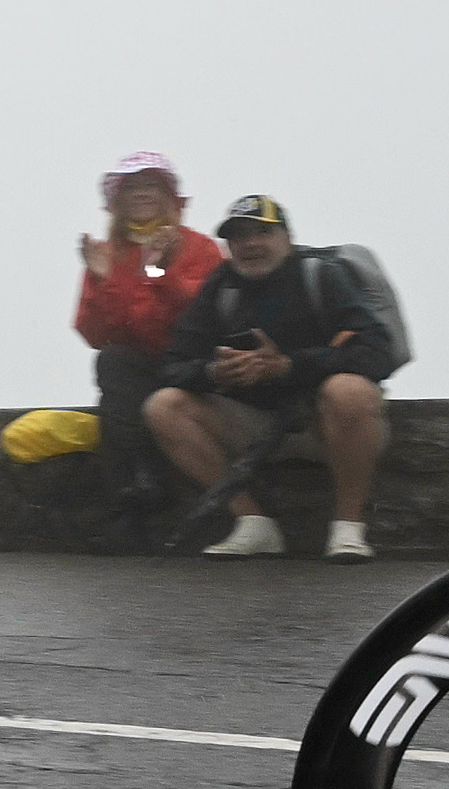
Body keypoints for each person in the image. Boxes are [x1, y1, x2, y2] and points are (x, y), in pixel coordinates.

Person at [146, 196, 396, 562]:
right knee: (163, 406)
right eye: (239, 237)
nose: (250, 245)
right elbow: (172, 365)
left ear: (286, 237)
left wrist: (289, 366)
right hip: (255, 426)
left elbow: (378, 353)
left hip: (328, 423)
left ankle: (348, 528)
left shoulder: (323, 275)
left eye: (262, 233)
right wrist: (216, 372)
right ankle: (252, 522)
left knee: (349, 390)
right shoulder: (222, 286)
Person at [74, 150, 220, 533]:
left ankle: (139, 487)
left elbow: (200, 318)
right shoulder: (106, 255)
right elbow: (96, 334)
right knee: (114, 364)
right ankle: (131, 487)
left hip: (193, 365)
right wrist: (103, 281)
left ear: (170, 196)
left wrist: (158, 271)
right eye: (132, 187)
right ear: (116, 201)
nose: (141, 194)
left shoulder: (200, 248)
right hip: (140, 368)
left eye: (151, 185)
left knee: (120, 375)